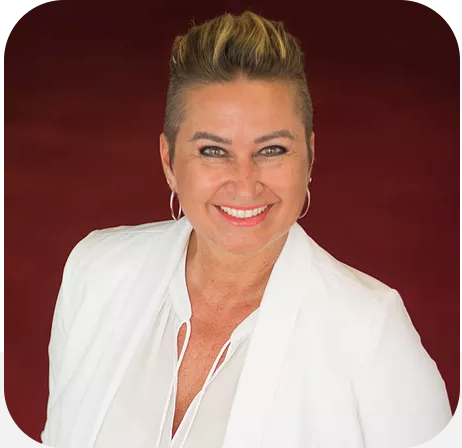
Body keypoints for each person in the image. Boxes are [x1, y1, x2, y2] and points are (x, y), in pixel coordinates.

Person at [41, 11, 452, 448]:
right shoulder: (95, 272)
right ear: (168, 161)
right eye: (213, 150)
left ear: (310, 156)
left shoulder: (371, 330)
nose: (244, 183)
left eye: (272, 149)